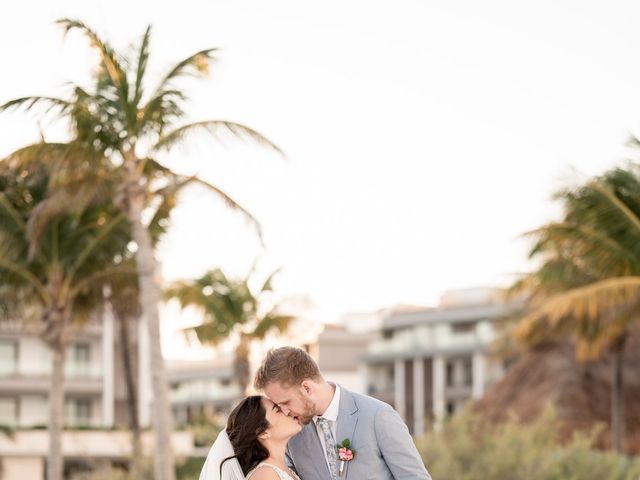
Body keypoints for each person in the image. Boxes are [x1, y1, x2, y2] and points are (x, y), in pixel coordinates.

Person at [254, 347, 432, 480]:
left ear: (307, 388)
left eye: (286, 403)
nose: (285, 411)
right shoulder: (292, 438)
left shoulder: (378, 416)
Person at [199, 395, 303, 480]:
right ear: (262, 433)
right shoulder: (264, 476)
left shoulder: (285, 469)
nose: (287, 410)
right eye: (278, 410)